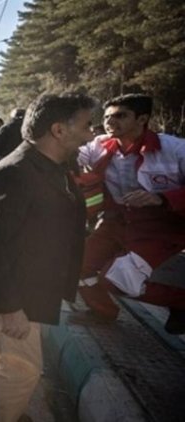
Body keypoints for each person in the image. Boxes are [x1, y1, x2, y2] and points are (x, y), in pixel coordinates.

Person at [0, 93, 92, 421]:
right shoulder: (14, 172)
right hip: (16, 293)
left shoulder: (53, 167)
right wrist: (10, 308)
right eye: (87, 125)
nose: (92, 133)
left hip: (24, 286)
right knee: (23, 369)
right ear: (58, 130)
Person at [74, 94, 185, 334]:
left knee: (118, 278)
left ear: (142, 119)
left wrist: (163, 198)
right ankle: (102, 312)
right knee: (76, 265)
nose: (110, 122)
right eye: (107, 117)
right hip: (116, 222)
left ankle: (180, 302)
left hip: (160, 228)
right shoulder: (99, 146)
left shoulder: (175, 149)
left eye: (120, 116)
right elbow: (70, 154)